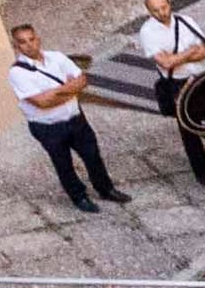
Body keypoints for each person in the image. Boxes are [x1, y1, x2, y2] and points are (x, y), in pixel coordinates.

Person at [8, 21, 134, 211]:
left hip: (76, 119)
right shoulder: (17, 73)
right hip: (48, 127)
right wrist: (69, 90)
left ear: (38, 39)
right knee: (63, 163)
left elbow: (82, 80)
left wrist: (57, 93)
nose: (29, 44)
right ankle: (79, 197)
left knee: (92, 156)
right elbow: (42, 103)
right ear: (16, 46)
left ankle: (105, 188)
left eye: (31, 39)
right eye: (23, 42)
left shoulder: (56, 57)